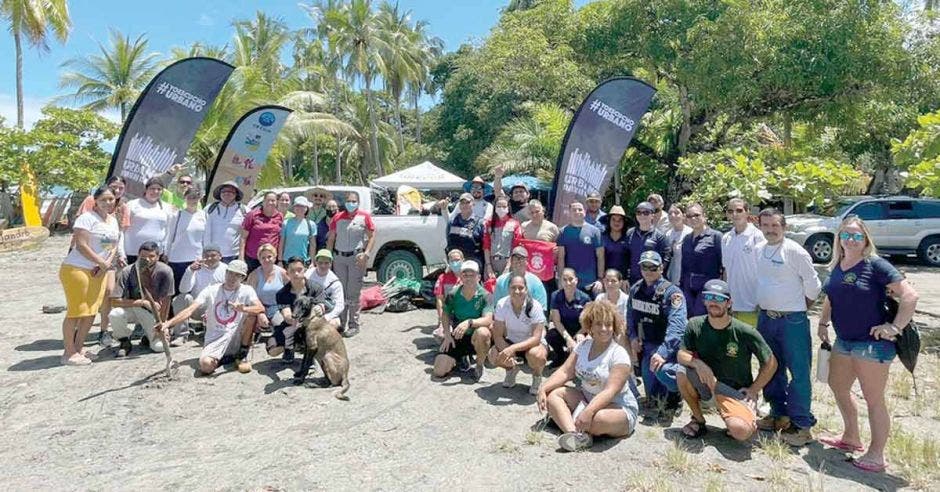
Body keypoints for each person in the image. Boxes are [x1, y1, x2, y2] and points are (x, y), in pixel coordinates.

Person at [817, 217, 919, 472]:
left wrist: (894, 327)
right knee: (838, 386)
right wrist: (823, 323)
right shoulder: (838, 264)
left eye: (857, 235)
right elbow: (832, 295)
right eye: (846, 235)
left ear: (865, 239)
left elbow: (910, 295)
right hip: (844, 341)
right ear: (839, 238)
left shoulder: (876, 265)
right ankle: (851, 437)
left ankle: (877, 455)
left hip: (872, 344)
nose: (851, 240)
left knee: (874, 400)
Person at [676, 279, 777, 441]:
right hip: (706, 385)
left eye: (720, 299)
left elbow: (771, 362)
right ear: (703, 300)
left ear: (729, 303)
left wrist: (753, 390)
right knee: (681, 372)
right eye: (709, 297)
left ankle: (736, 416)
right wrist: (698, 364)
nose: (714, 302)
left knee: (741, 432)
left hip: (733, 391)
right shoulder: (695, 324)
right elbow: (681, 354)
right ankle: (698, 420)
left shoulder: (744, 331)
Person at [754, 207, 821, 446]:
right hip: (766, 318)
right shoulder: (759, 250)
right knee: (771, 367)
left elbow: (814, 285)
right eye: (766, 225)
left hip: (792, 320)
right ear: (759, 226)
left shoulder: (794, 251)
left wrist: (798, 307)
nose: (770, 230)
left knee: (799, 372)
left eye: (775, 226)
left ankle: (801, 424)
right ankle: (777, 414)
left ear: (784, 227)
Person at [537, 300, 638, 452]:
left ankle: (571, 423)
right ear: (589, 325)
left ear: (614, 326)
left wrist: (589, 412)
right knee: (554, 395)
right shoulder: (583, 346)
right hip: (587, 398)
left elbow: (610, 391)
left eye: (608, 324)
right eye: (598, 324)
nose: (604, 329)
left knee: (598, 419)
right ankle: (576, 435)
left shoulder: (619, 354)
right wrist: (543, 388)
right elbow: (565, 372)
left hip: (618, 406)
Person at [156, 260, 263, 375]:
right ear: (226, 273)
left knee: (252, 314)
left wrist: (244, 309)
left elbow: (260, 308)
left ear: (243, 278)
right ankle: (224, 359)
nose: (232, 278)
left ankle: (242, 352)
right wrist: (168, 323)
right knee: (206, 366)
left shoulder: (247, 290)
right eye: (230, 273)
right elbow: (190, 310)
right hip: (216, 336)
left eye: (237, 275)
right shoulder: (211, 290)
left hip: (237, 335)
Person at [59, 186, 121, 365]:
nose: (108, 202)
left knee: (91, 311)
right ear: (96, 200)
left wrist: (106, 264)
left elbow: (112, 244)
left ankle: (79, 348)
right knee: (76, 311)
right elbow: (81, 245)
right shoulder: (86, 218)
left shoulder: (112, 220)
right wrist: (100, 262)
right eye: (104, 199)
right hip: (77, 269)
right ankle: (68, 353)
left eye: (111, 199)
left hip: (99, 271)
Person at [627, 251, 686, 413]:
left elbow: (677, 327)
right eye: (644, 266)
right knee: (653, 397)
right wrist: (632, 337)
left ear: (661, 268)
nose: (648, 270)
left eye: (653, 267)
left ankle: (677, 395)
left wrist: (663, 352)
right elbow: (630, 317)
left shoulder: (672, 293)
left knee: (664, 373)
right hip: (647, 347)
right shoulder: (635, 289)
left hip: (668, 349)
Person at [76, 176, 129, 347]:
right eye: (114, 187)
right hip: (87, 258)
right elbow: (81, 236)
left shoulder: (120, 211)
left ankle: (104, 331)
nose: (117, 191)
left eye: (120, 188)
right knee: (86, 295)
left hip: (109, 258)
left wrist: (120, 254)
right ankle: (79, 330)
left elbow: (118, 237)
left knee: (108, 292)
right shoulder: (90, 208)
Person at [109, 241, 175, 357]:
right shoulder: (127, 271)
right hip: (133, 309)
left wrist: (164, 325)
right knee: (115, 314)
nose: (147, 260)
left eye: (151, 256)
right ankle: (124, 340)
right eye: (143, 256)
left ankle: (147, 336)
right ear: (138, 256)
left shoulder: (165, 271)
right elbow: (114, 301)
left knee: (159, 347)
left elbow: (166, 300)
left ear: (158, 257)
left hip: (153, 313)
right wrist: (141, 302)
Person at [433, 261, 494, 381]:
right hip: (458, 335)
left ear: (479, 277)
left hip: (475, 337)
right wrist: (447, 335)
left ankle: (479, 365)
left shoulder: (486, 295)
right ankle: (460, 358)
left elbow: (488, 320)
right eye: (465, 275)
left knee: (483, 332)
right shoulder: (453, 294)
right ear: (461, 277)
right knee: (439, 371)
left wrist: (469, 322)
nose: (469, 278)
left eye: (472, 275)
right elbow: (445, 313)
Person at [327, 190, 375, 338]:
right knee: (340, 292)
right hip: (339, 258)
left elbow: (372, 235)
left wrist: (366, 253)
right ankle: (340, 324)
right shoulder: (337, 218)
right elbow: (331, 239)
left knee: (353, 292)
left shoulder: (364, 216)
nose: (351, 203)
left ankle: (354, 324)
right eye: (348, 201)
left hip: (356, 258)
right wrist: (329, 258)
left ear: (358, 203)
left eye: (354, 201)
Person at [489, 274, 548, 394]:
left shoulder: (535, 306)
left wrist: (512, 349)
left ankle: (537, 376)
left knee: (537, 356)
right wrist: (508, 352)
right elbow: (498, 335)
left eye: (521, 288)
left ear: (526, 289)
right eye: (513, 287)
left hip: (531, 344)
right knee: (493, 356)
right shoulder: (501, 304)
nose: (517, 291)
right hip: (511, 340)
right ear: (508, 289)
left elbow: (536, 338)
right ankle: (511, 369)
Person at [266, 256, 333, 362]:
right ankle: (290, 348)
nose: (296, 274)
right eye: (292, 270)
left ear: (305, 270)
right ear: (287, 272)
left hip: (312, 324)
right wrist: (292, 319)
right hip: (292, 324)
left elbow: (325, 304)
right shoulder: (281, 293)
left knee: (333, 324)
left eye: (299, 270)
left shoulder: (316, 287)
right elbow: (286, 314)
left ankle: (312, 355)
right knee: (272, 349)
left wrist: (320, 307)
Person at [721, 198, 764, 327]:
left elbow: (765, 270)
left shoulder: (757, 236)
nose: (735, 214)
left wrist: (762, 300)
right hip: (732, 304)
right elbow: (726, 271)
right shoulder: (726, 238)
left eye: (739, 210)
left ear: (747, 212)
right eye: (731, 211)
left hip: (752, 304)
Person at [171, 245, 227, 338]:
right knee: (182, 298)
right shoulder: (195, 269)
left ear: (220, 256)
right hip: (197, 308)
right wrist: (190, 271)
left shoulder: (226, 269)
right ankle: (181, 334)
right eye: (206, 256)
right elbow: (183, 290)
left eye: (213, 255)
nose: (209, 258)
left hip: (218, 308)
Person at [680, 203, 723, 317]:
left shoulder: (716, 237)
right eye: (689, 216)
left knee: (701, 317)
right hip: (688, 286)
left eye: (696, 215)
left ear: (704, 216)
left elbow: (723, 265)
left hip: (707, 287)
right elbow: (684, 265)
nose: (693, 218)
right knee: (688, 318)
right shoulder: (687, 239)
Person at [165, 187, 207, 294]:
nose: (193, 200)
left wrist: (204, 256)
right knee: (174, 289)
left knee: (189, 290)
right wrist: (166, 253)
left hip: (195, 258)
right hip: (176, 258)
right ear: (185, 198)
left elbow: (206, 238)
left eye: (195, 198)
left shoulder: (204, 215)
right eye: (190, 197)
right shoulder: (177, 214)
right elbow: (170, 235)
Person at [547, 268, 592, 367]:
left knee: (587, 341)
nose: (568, 282)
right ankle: (561, 356)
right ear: (560, 281)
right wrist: (568, 339)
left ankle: (579, 361)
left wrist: (578, 335)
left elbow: (588, 322)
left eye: (571, 279)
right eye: (564, 279)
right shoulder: (555, 296)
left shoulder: (585, 298)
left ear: (576, 280)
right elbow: (556, 321)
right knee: (551, 335)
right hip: (563, 329)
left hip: (580, 331)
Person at [557, 202, 604, 294]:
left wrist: (600, 279)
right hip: (570, 282)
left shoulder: (595, 231)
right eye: (574, 210)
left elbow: (601, 257)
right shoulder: (563, 232)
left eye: (580, 209)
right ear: (569, 213)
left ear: (585, 212)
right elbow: (561, 257)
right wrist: (560, 279)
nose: (577, 212)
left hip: (591, 283)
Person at [244, 244, 289, 335]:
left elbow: (291, 292)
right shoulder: (254, 275)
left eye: (269, 257)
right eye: (263, 257)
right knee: (249, 321)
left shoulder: (282, 273)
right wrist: (260, 312)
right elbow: (249, 297)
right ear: (259, 259)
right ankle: (245, 346)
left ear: (275, 257)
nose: (266, 260)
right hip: (258, 308)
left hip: (276, 308)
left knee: (281, 327)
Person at [124, 177, 172, 264]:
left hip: (155, 255)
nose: (155, 192)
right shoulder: (132, 204)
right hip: (133, 252)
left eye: (159, 189)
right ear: (146, 189)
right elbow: (123, 229)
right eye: (152, 188)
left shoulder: (167, 208)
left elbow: (168, 231)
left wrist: (166, 251)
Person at [625, 201, 671, 285]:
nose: (642, 215)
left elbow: (667, 257)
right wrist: (625, 277)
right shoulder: (629, 233)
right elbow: (625, 257)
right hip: (633, 280)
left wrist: (657, 274)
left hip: (653, 281)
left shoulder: (659, 236)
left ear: (652, 215)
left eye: (646, 212)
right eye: (639, 212)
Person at [240, 191, 283, 273]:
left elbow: (280, 237)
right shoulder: (252, 215)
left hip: (270, 258)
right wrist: (241, 257)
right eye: (268, 200)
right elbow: (243, 237)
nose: (270, 203)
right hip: (252, 257)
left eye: (273, 200)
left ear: (277, 202)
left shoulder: (280, 216)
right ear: (263, 202)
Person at [205, 181, 247, 264]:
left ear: (236, 195)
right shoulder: (210, 208)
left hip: (234, 255)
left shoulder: (244, 210)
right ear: (220, 194)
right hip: (212, 254)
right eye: (224, 191)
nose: (227, 193)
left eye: (231, 191)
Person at [303, 249, 346, 327]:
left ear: (330, 263)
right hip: (309, 309)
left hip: (326, 312)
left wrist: (326, 317)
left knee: (334, 323)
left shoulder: (335, 282)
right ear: (316, 262)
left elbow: (340, 305)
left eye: (326, 263)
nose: (323, 266)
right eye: (320, 263)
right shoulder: (307, 275)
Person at [483, 195, 523, 278]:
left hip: (507, 261)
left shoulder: (515, 224)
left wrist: (508, 267)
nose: (501, 208)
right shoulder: (488, 223)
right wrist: (488, 266)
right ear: (495, 208)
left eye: (504, 206)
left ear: (508, 208)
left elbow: (516, 246)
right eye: (499, 206)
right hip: (491, 261)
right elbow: (486, 246)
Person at [447, 193, 485, 269]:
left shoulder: (479, 222)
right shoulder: (452, 222)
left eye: (468, 202)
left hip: (473, 261)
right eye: (462, 203)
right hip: (456, 262)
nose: (465, 205)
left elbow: (485, 245)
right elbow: (448, 242)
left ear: (473, 204)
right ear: (459, 205)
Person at [434, 249, 465, 338]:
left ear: (463, 260)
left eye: (457, 260)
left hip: (465, 314)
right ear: (449, 262)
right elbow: (439, 300)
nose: (455, 263)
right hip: (449, 315)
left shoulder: (469, 276)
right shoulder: (443, 278)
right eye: (452, 261)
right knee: (441, 335)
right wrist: (441, 320)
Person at [278, 196, 317, 266]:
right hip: (287, 261)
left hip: (303, 261)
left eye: (302, 206)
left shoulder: (311, 224)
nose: (300, 208)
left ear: (306, 209)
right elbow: (281, 243)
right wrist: (280, 260)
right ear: (294, 208)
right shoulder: (286, 223)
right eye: (297, 206)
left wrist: (312, 262)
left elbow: (312, 245)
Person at [600, 206, 629, 284]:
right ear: (609, 221)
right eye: (613, 219)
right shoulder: (601, 238)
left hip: (623, 281)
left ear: (624, 222)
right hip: (605, 281)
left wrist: (626, 279)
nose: (616, 222)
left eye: (620, 220)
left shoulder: (629, 238)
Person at [664, 204, 691, 284]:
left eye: (676, 213)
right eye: (670, 213)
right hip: (670, 278)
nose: (673, 215)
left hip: (685, 279)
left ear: (684, 216)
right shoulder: (668, 234)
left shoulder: (690, 234)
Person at [305, 186, 332, 251]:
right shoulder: (306, 211)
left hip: (322, 244)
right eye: (316, 195)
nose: (318, 198)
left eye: (321, 196)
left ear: (324, 199)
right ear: (312, 197)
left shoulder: (327, 212)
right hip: (308, 242)